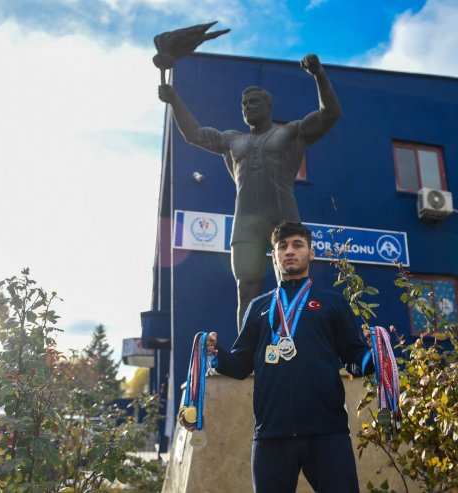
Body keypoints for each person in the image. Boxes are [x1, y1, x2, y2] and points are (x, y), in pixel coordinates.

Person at [159, 54, 342, 330]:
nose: (247, 107)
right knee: (246, 286)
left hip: (284, 219)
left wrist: (318, 74)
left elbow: (330, 114)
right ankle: (246, 350)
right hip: (246, 222)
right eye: (244, 104)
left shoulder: (290, 132)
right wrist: (174, 99)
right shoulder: (232, 139)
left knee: (290, 282)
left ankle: (291, 342)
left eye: (254, 102)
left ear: (268, 106)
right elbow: (194, 134)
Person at [205, 221, 373, 493]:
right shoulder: (258, 307)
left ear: (311, 253)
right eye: (282, 246)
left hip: (326, 431)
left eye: (297, 244)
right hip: (272, 433)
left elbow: (353, 358)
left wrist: (373, 357)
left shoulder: (331, 302)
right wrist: (215, 354)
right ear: (274, 256)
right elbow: (239, 365)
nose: (289, 251)